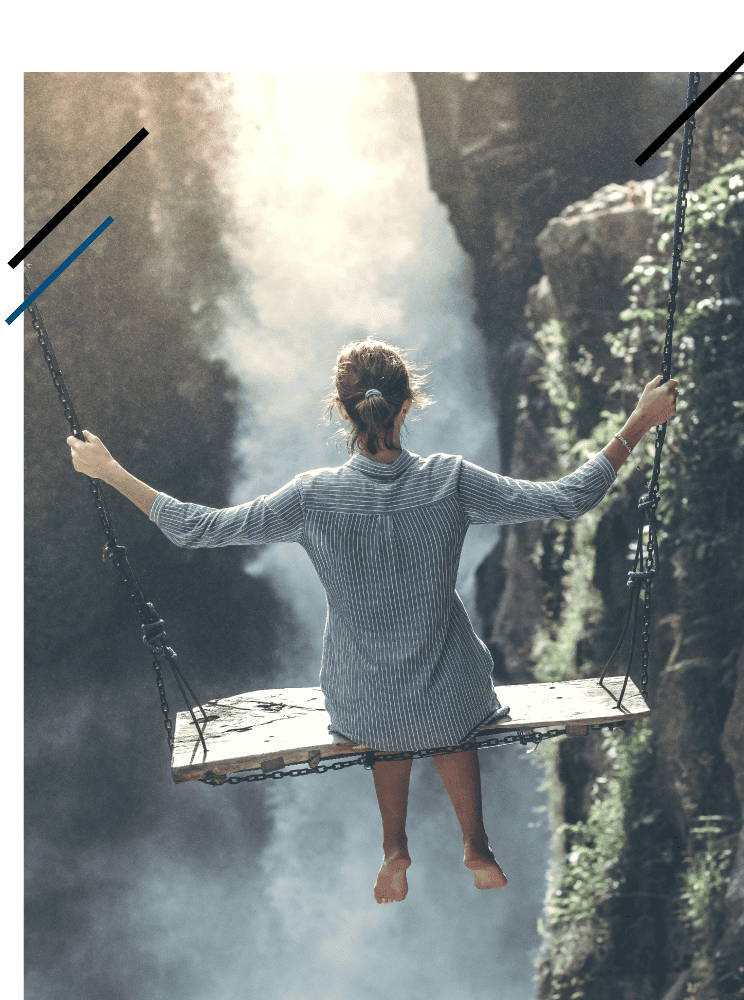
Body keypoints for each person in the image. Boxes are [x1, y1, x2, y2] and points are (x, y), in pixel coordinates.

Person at [67, 337, 678, 904]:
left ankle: (394, 847)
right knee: (450, 705)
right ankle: (477, 845)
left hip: (363, 701)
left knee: (385, 711)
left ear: (341, 410)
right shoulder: (450, 480)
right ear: (409, 403)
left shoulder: (311, 495)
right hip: (451, 694)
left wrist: (110, 471)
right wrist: (639, 423)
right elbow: (569, 497)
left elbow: (198, 527)